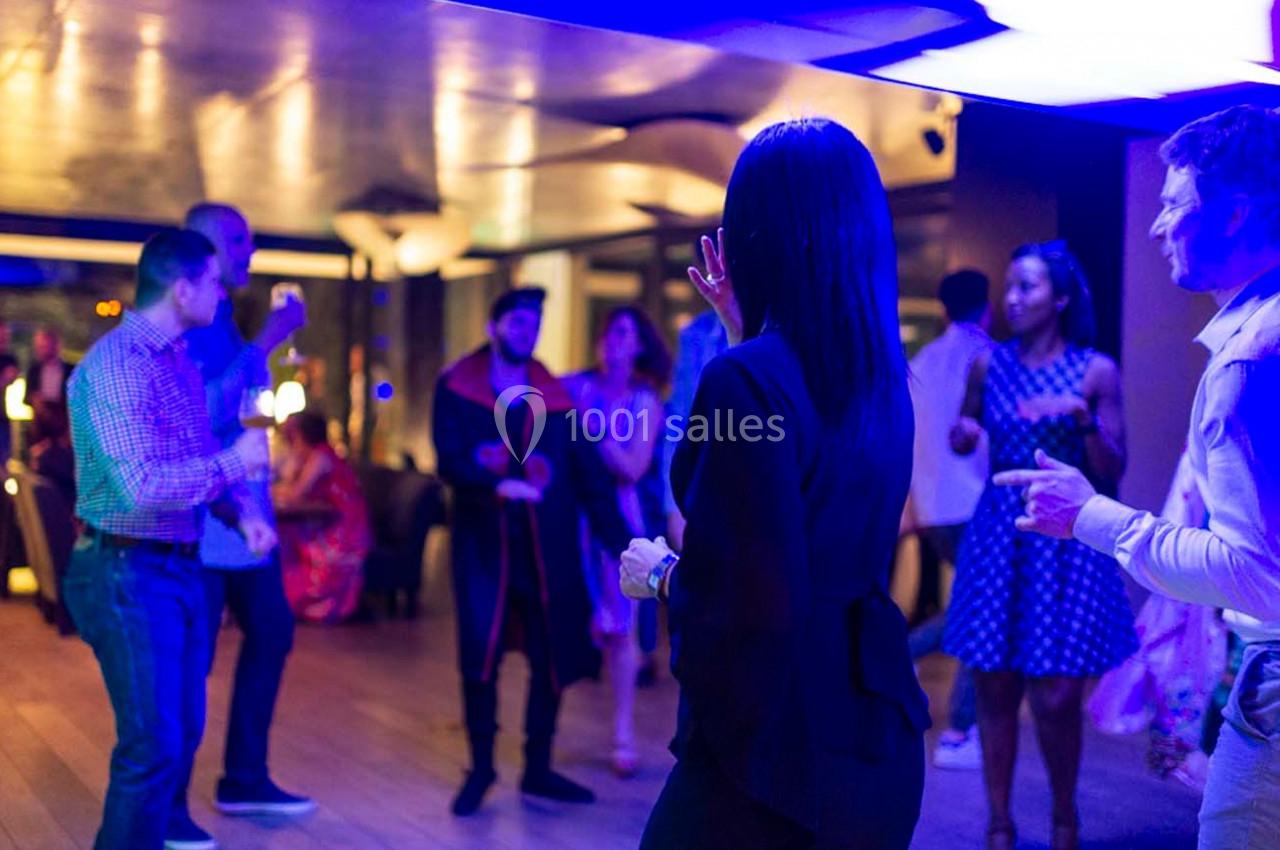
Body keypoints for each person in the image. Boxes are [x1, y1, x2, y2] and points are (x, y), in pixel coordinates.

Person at [620, 118, 931, 850]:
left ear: (755, 234)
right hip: (873, 728)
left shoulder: (744, 380)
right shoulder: (887, 381)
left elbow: (754, 597)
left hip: (779, 751)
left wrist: (662, 575)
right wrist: (743, 337)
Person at [996, 105, 1280, 850]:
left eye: (1175, 204)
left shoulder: (1251, 360)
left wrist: (1092, 515)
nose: (1156, 226)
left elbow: (1260, 578)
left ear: (1238, 212)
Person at [61, 229, 273, 850]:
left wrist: (240, 512)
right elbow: (142, 488)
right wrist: (236, 465)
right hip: (125, 569)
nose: (224, 289)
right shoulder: (120, 364)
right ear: (182, 289)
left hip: (175, 566)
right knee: (152, 743)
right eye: (213, 280)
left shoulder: (176, 357)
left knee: (175, 737)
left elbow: (195, 454)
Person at [944, 240, 1137, 850]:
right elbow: (961, 432)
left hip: (1067, 536)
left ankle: (1064, 818)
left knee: (1056, 695)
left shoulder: (1095, 371)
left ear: (1060, 297)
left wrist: (1081, 415)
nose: (1013, 298)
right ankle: (999, 824)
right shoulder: (987, 364)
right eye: (1010, 287)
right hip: (1001, 534)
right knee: (994, 682)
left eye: (1026, 286)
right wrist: (962, 431)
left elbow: (1114, 467)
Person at [432, 286, 633, 817]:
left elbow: (591, 480)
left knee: (550, 659)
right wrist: (495, 485)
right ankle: (480, 769)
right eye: (518, 322)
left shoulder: (557, 397)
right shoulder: (457, 387)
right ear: (494, 326)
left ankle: (538, 769)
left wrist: (628, 550)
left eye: (534, 324)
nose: (528, 332)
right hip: (486, 551)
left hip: (550, 552)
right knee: (481, 658)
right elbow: (450, 460)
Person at [174, 203, 313, 842]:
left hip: (241, 514)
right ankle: (168, 806)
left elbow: (239, 408)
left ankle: (242, 778)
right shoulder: (192, 317)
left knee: (272, 629)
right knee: (191, 661)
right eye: (238, 241)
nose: (250, 253)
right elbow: (200, 410)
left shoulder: (224, 316)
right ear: (203, 246)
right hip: (201, 517)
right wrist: (270, 339)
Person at [563, 305, 670, 777]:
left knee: (620, 628)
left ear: (640, 345)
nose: (614, 339)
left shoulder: (644, 402)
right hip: (573, 515)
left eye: (625, 332)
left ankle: (622, 732)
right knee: (573, 619)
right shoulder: (575, 385)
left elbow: (632, 466)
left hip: (618, 520)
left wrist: (592, 427)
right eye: (609, 330)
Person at [905, 268, 995, 770]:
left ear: (942, 309)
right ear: (987, 307)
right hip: (979, 505)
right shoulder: (988, 358)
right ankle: (960, 730)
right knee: (976, 612)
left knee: (972, 605)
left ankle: (882, 659)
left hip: (932, 508)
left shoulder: (920, 361)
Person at [275, 410, 371, 624]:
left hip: (344, 530)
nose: (290, 439)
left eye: (293, 434)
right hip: (327, 521)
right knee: (283, 534)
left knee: (285, 539)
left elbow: (294, 493)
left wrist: (272, 488)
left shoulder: (321, 456)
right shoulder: (313, 456)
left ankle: (289, 602)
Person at [24, 325, 72, 410]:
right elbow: (27, 397)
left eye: (43, 347)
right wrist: (35, 400)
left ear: (55, 346)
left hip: (63, 418)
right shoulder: (34, 370)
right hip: (40, 420)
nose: (39, 350)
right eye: (39, 347)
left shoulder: (70, 370)